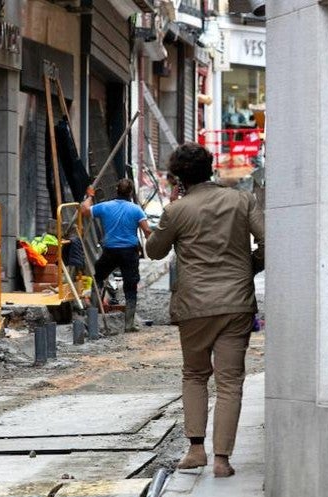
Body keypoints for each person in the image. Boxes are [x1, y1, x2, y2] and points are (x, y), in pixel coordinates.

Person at [145, 143, 264, 478]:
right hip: (236, 302)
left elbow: (153, 252)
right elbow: (269, 242)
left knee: (195, 375)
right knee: (230, 381)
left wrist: (170, 214)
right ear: (210, 168)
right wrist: (247, 267)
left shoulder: (177, 211)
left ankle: (196, 450)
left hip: (194, 306)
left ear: (179, 178)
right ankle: (222, 460)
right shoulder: (242, 200)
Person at [81, 178, 152, 332]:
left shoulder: (105, 207)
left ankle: (92, 319)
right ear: (131, 193)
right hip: (129, 252)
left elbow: (84, 210)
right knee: (130, 285)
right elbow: (147, 231)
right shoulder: (136, 210)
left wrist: (90, 196)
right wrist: (154, 245)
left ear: (116, 191)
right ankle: (129, 324)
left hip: (110, 250)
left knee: (98, 277)